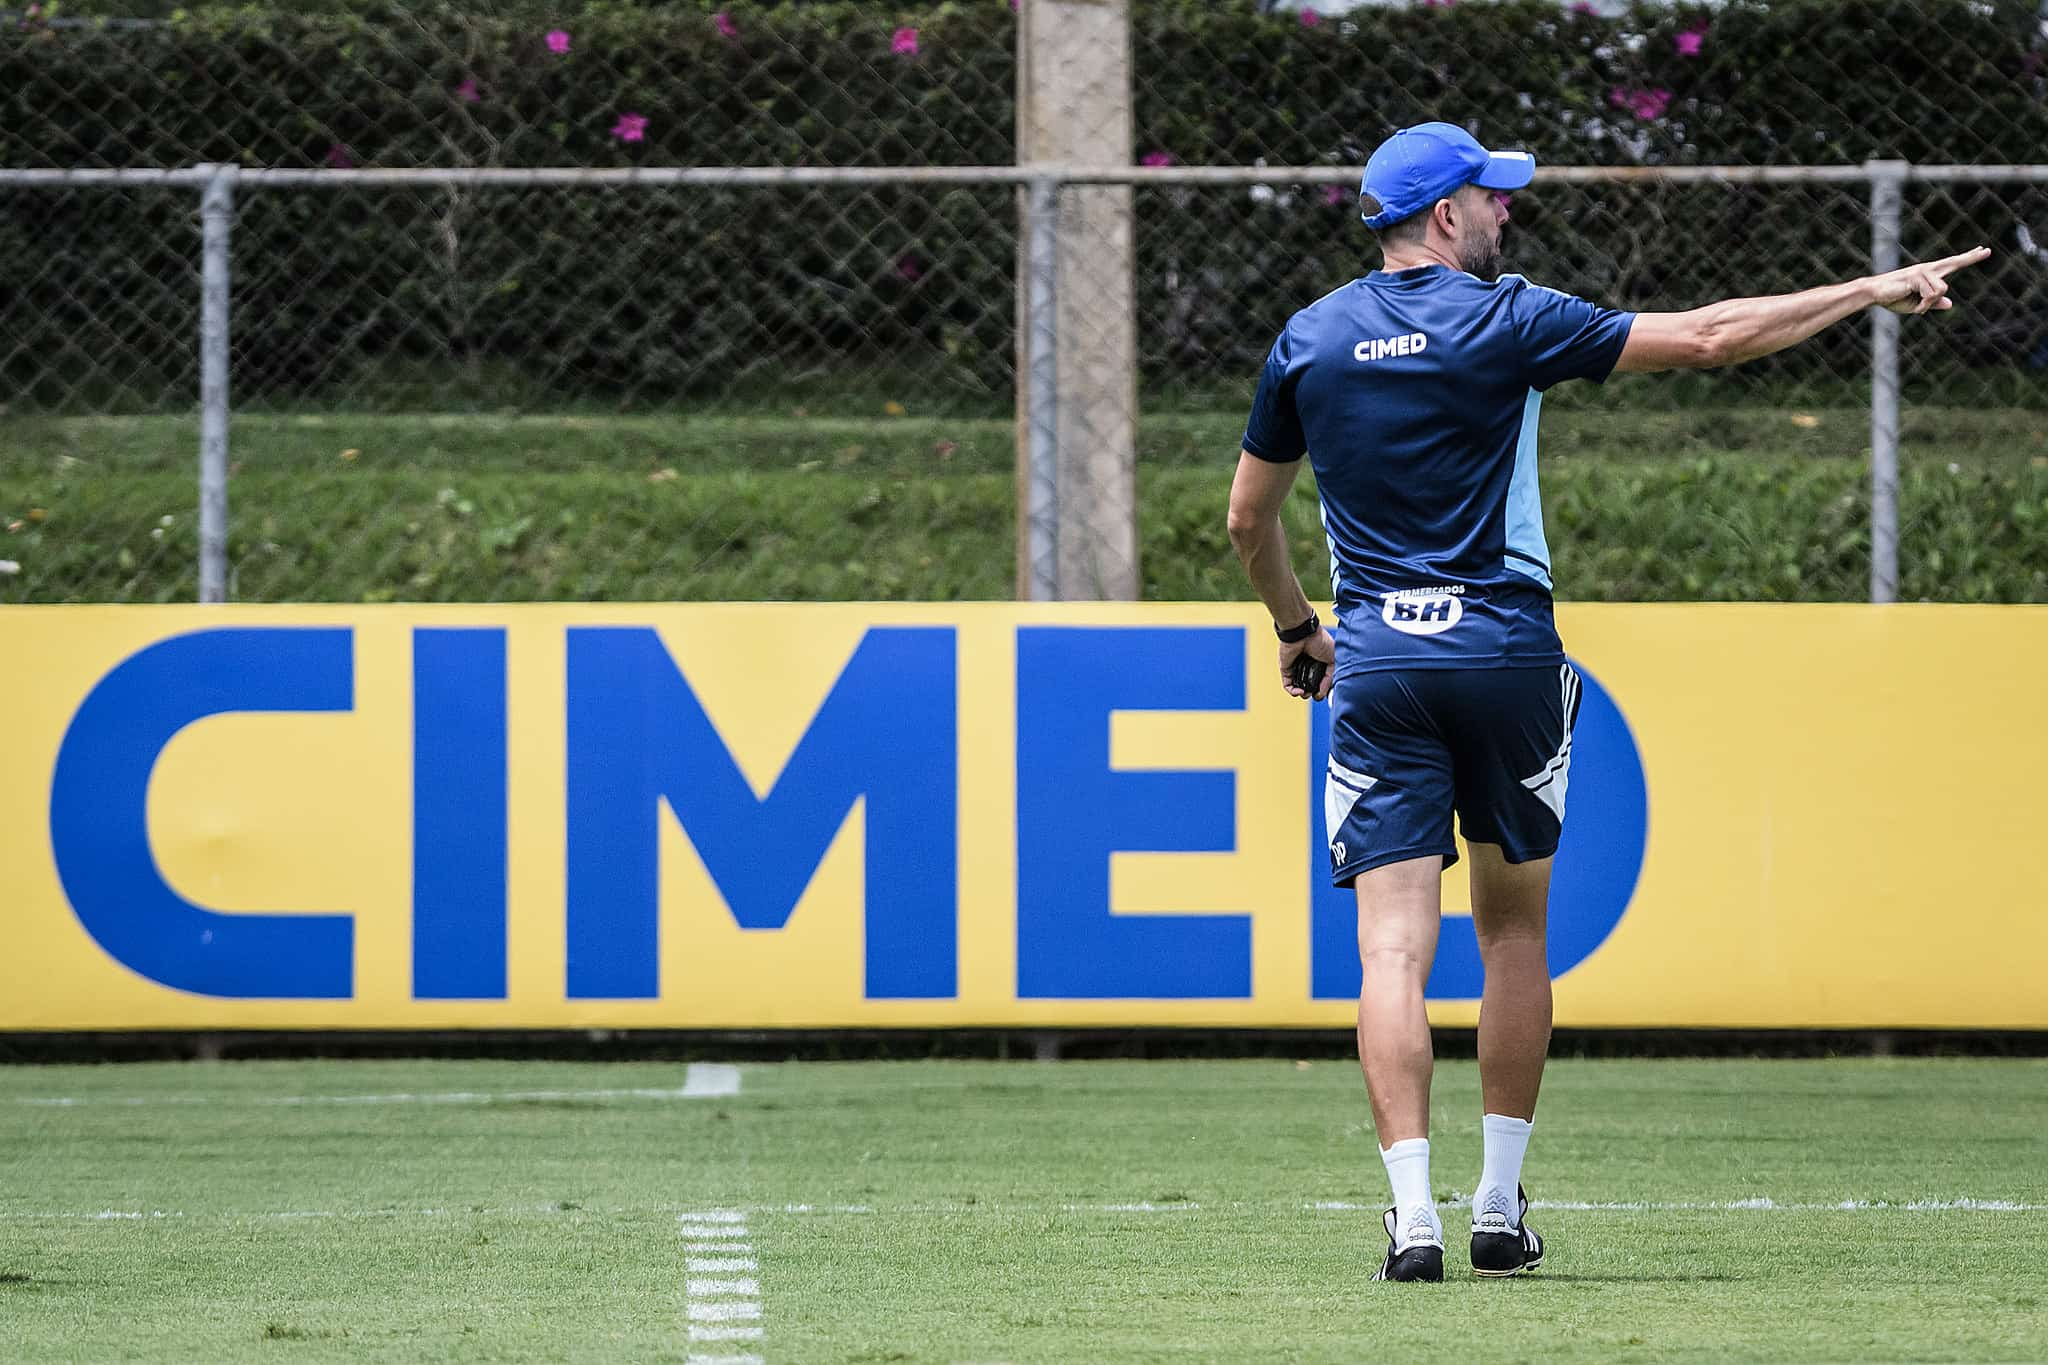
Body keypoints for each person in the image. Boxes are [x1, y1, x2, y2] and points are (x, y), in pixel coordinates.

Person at [1226, 121, 1989, 1282]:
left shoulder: (1308, 338)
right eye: (1491, 198)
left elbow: (1245, 519)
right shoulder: (1510, 315)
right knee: (1513, 930)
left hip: (1375, 658)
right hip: (1503, 651)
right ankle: (1493, 1206)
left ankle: (1409, 1218)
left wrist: (1297, 628)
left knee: (1390, 949)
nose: (1504, 213)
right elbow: (1711, 337)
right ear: (1444, 216)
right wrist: (1872, 286)